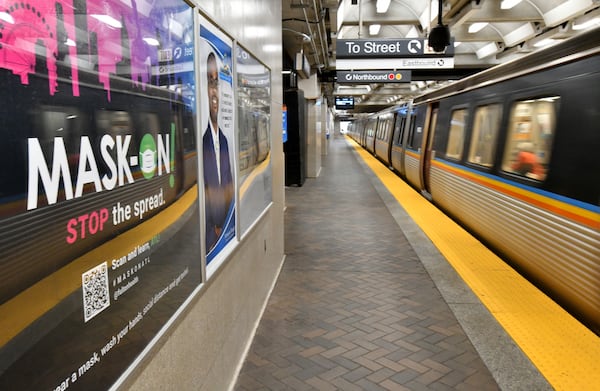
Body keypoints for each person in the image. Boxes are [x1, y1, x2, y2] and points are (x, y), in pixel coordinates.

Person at [203, 52, 234, 252]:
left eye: (216, 84)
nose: (213, 92)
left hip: (224, 228)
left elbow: (228, 184)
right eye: (209, 83)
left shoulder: (223, 140)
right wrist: (215, 223)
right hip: (208, 235)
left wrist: (226, 222)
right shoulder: (202, 141)